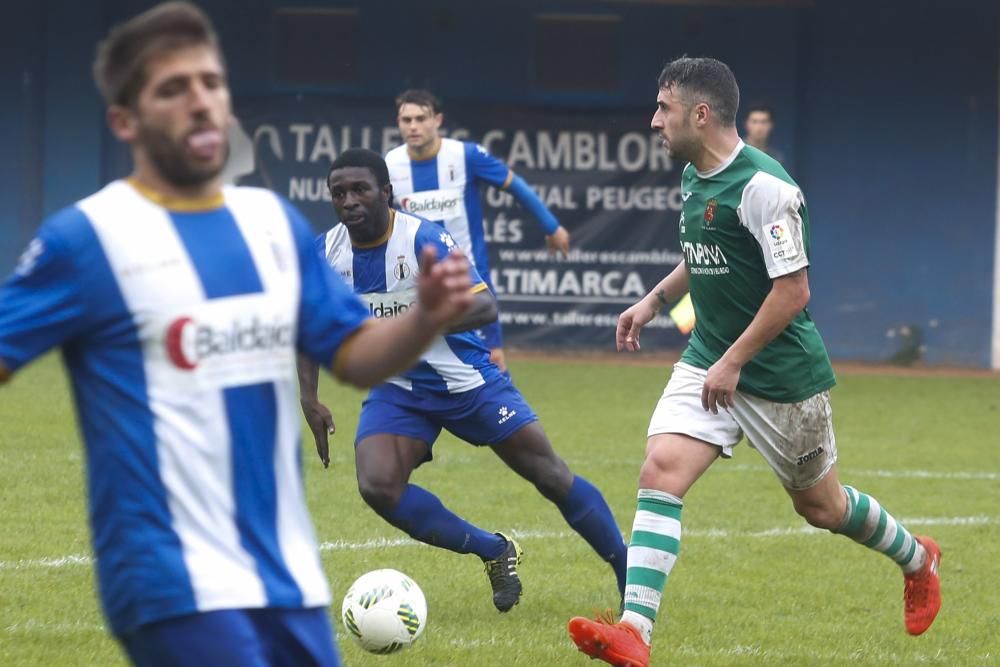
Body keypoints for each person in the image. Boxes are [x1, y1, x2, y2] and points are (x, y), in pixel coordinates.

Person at [0, 4, 477, 666]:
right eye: (173, 89)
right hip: (171, 572)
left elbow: (354, 355)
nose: (200, 102)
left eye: (211, 83)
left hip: (286, 566)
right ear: (124, 121)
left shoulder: (270, 223)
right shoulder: (88, 239)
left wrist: (427, 313)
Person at [567, 57, 941, 667]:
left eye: (664, 108)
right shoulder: (693, 175)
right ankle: (635, 631)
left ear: (701, 113)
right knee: (660, 470)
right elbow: (703, 251)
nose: (654, 120)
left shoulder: (767, 187)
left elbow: (793, 291)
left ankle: (919, 558)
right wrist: (654, 301)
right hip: (710, 356)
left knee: (823, 507)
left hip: (778, 374)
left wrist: (736, 361)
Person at [298, 148, 627, 613]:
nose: (349, 200)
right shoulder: (326, 251)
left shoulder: (423, 240)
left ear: (386, 193)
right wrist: (309, 398)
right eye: (339, 193)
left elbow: (484, 306)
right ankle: (493, 550)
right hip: (399, 390)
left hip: (467, 381)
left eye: (360, 190)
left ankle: (628, 574)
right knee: (378, 486)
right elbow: (305, 321)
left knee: (550, 475)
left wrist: (423, 317)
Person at [387, 89, 572, 372]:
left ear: (437, 120)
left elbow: (514, 185)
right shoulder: (390, 164)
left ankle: (510, 416)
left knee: (491, 362)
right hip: (415, 285)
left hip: (469, 282)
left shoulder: (465, 155)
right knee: (416, 369)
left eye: (420, 118)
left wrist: (551, 226)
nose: (412, 126)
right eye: (406, 119)